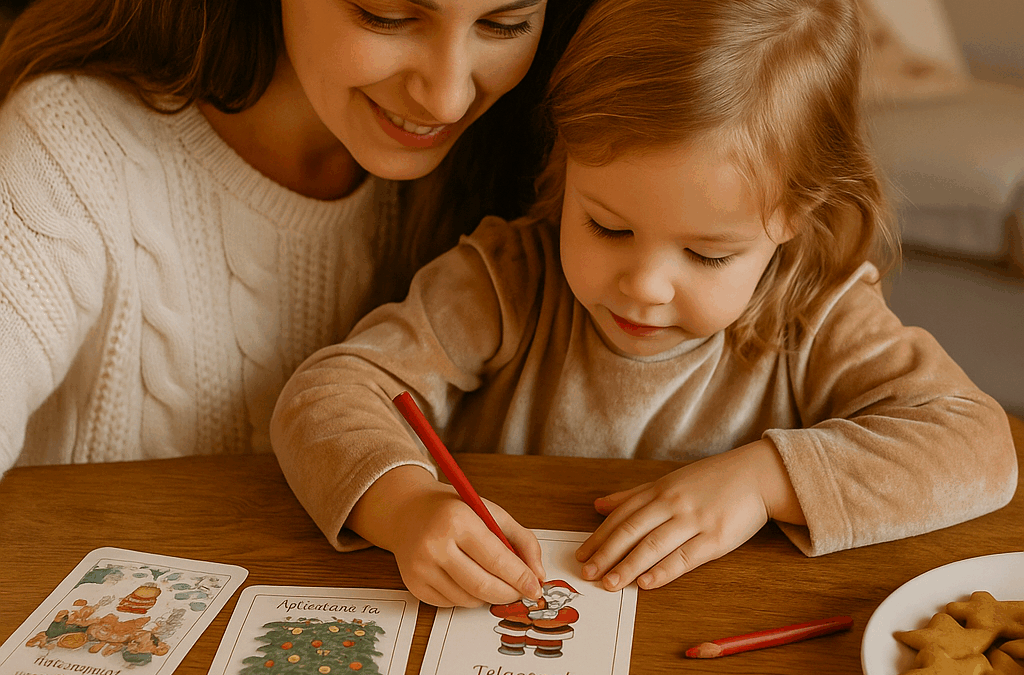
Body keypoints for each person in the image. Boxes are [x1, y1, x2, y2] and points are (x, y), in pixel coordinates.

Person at [269, 0, 1018, 609]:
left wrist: (763, 481)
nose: (645, 286)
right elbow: (328, 393)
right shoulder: (507, 279)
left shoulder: (815, 311)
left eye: (707, 254)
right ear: (566, 161)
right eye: (608, 226)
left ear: (796, 214)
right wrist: (403, 508)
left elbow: (978, 447)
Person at [0, 0, 597, 477]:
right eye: (386, 16)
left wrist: (697, 480)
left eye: (504, 23)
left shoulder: (540, 165)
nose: (448, 97)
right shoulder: (66, 144)